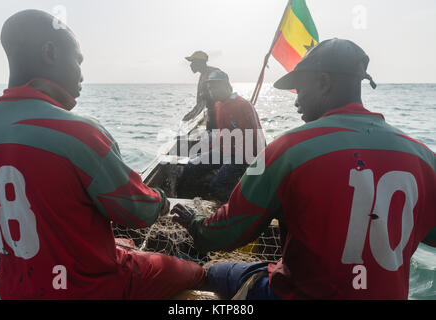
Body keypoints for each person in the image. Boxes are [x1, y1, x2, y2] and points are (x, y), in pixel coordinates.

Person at [172, 38, 436, 300]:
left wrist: (195, 226)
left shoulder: (287, 149)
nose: (296, 102)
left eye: (299, 89)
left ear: (323, 83)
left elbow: (228, 231)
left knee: (218, 273)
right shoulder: (424, 158)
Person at [0, 9, 205, 300]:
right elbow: (138, 211)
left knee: (120, 243)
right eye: (77, 60)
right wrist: (161, 201)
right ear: (50, 52)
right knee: (195, 271)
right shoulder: (78, 132)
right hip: (95, 288)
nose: (82, 74)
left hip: (15, 287)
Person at [177, 70, 265, 202]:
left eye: (216, 87)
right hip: (224, 151)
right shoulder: (218, 106)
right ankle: (190, 202)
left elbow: (257, 134)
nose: (212, 91)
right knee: (191, 166)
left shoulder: (244, 105)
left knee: (218, 185)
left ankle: (239, 208)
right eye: (210, 88)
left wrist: (261, 162)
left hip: (244, 155)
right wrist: (207, 153)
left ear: (227, 86)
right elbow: (221, 135)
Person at [182, 51, 220, 121]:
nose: (190, 65)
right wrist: (191, 114)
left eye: (192, 62)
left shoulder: (214, 73)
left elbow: (220, 96)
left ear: (199, 62)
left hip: (220, 114)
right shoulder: (203, 76)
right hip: (211, 113)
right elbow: (200, 102)